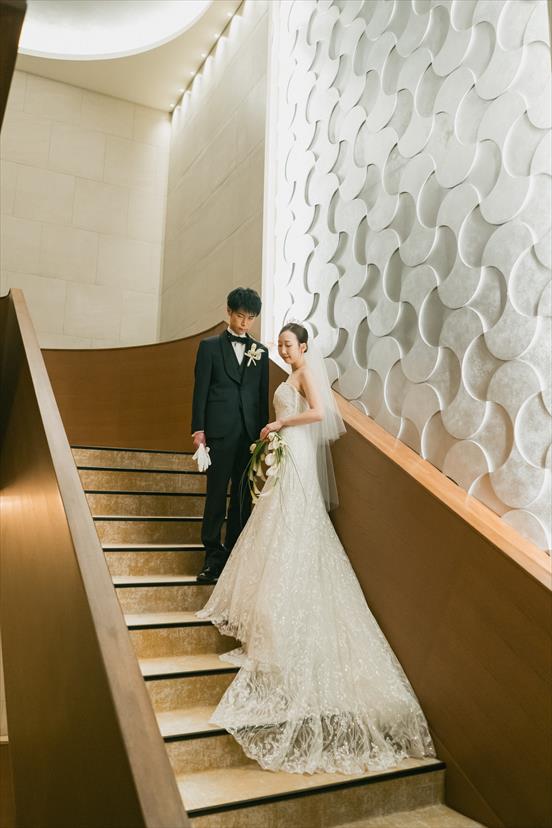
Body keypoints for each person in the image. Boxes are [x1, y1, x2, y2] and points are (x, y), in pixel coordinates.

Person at [197, 322, 436, 775]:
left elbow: (320, 412)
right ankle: (271, 608)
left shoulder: (306, 373)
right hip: (289, 450)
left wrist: (281, 423)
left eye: (289, 344)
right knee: (276, 522)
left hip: (297, 450)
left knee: (291, 521)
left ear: (304, 346)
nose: (283, 349)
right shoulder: (292, 374)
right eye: (280, 345)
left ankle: (283, 608)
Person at [191, 287, 268, 584]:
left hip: (249, 435)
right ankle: (212, 557)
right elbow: (200, 391)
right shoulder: (209, 347)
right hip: (219, 433)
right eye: (240, 316)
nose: (245, 323)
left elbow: (260, 396)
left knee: (242, 497)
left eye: (251, 318)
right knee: (215, 494)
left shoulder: (260, 352)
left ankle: (234, 554)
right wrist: (199, 429)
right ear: (228, 312)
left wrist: (261, 436)